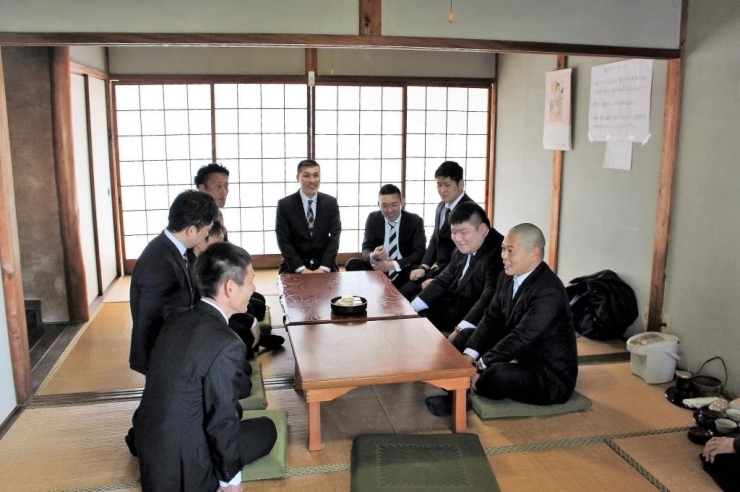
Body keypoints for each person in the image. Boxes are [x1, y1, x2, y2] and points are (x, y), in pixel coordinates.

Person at [133, 242, 277, 492]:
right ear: (230, 287)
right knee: (266, 428)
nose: (254, 288)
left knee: (232, 410)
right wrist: (230, 480)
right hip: (185, 470)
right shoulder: (227, 344)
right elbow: (220, 422)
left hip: (151, 449)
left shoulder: (177, 317)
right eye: (251, 280)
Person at [455, 223, 578, 405]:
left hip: (546, 371)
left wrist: (480, 363)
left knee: (497, 375)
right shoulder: (506, 275)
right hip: (517, 353)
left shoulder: (550, 290)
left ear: (534, 253)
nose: (504, 256)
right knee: (464, 338)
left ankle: (477, 379)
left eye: (511, 251)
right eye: (503, 249)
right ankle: (473, 378)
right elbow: (491, 317)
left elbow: (522, 336)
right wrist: (469, 358)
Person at [129, 189, 219, 376]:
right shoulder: (159, 263)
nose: (207, 236)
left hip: (181, 341)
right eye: (207, 231)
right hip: (165, 356)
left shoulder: (173, 248)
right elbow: (151, 323)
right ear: (191, 230)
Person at [192, 221, 284, 356]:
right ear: (201, 241)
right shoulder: (199, 265)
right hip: (212, 312)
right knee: (242, 333)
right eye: (217, 242)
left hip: (219, 304)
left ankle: (255, 334)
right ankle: (255, 339)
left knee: (256, 304)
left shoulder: (212, 257)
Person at [410, 202, 504, 333]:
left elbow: (487, 299)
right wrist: (410, 309)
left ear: (482, 229)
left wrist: (460, 330)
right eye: (453, 232)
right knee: (415, 311)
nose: (458, 239)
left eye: (463, 232)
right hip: (454, 304)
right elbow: (443, 279)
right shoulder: (466, 244)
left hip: (476, 318)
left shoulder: (499, 254)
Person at [194, 162, 268, 322]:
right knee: (254, 309)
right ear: (202, 189)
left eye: (226, 186)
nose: (224, 192)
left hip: (225, 275)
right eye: (218, 186)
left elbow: (224, 251)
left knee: (259, 302)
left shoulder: (218, 214)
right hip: (211, 285)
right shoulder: (198, 221)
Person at [400, 161, 475, 300]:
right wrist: (424, 266)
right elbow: (435, 239)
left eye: (447, 185)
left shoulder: (470, 211)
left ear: (460, 184)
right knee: (400, 295)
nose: (442, 190)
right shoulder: (441, 206)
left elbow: (466, 256)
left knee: (414, 304)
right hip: (436, 270)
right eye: (439, 185)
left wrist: (439, 281)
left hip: (453, 277)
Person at [344, 184, 426, 289]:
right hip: (379, 269)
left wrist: (392, 265)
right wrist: (373, 255)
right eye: (385, 205)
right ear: (379, 205)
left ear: (402, 202)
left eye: (394, 205)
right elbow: (366, 247)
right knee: (352, 264)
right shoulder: (373, 218)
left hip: (403, 269)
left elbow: (419, 252)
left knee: (419, 274)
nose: (390, 210)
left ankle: (386, 287)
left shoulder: (414, 220)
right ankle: (382, 286)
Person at [275, 159, 341, 274]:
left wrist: (324, 268)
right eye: (306, 176)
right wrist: (300, 269)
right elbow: (283, 240)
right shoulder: (285, 205)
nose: (312, 180)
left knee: (334, 291)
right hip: (293, 266)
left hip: (324, 265)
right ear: (298, 178)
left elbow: (335, 237)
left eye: (316, 175)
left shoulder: (331, 203)